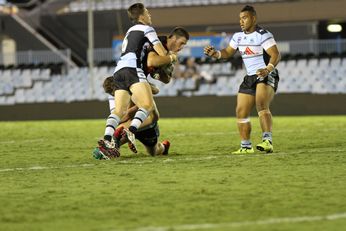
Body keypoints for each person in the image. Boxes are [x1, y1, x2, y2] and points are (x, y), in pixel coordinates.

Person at [95, 27, 189, 158]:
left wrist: (157, 75)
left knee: (153, 150)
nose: (182, 47)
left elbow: (166, 79)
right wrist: (171, 58)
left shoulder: (162, 51)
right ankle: (118, 138)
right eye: (182, 43)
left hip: (136, 81)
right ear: (174, 38)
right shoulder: (160, 44)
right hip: (135, 80)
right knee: (152, 115)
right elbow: (152, 61)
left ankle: (116, 140)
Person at [204, 5, 281, 154]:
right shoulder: (238, 37)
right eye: (240, 19)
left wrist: (268, 69)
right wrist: (216, 54)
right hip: (250, 77)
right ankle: (246, 146)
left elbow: (275, 54)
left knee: (261, 103)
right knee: (240, 111)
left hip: (265, 74)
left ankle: (267, 141)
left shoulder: (263, 35)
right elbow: (227, 52)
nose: (241, 21)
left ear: (253, 18)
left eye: (244, 18)